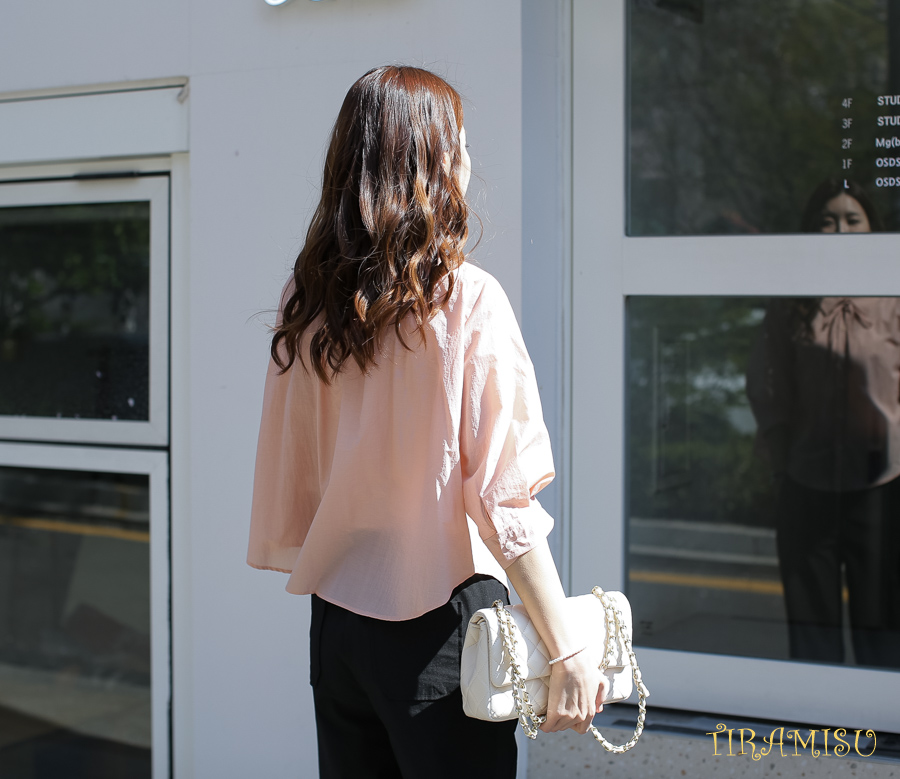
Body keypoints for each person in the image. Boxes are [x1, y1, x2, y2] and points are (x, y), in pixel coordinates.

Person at [247, 65, 607, 778]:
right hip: (442, 621)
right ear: (433, 164)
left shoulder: (308, 299)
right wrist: (566, 645)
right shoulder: (467, 298)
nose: (470, 161)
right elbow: (501, 496)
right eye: (461, 144)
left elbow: (297, 458)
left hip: (338, 621)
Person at [746, 179, 900, 666]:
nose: (840, 230)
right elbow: (768, 383)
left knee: (883, 627)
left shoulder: (893, 297)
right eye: (827, 221)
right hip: (805, 483)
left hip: (882, 486)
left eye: (853, 219)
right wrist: (780, 462)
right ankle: (815, 711)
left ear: (873, 228)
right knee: (813, 630)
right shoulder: (793, 301)